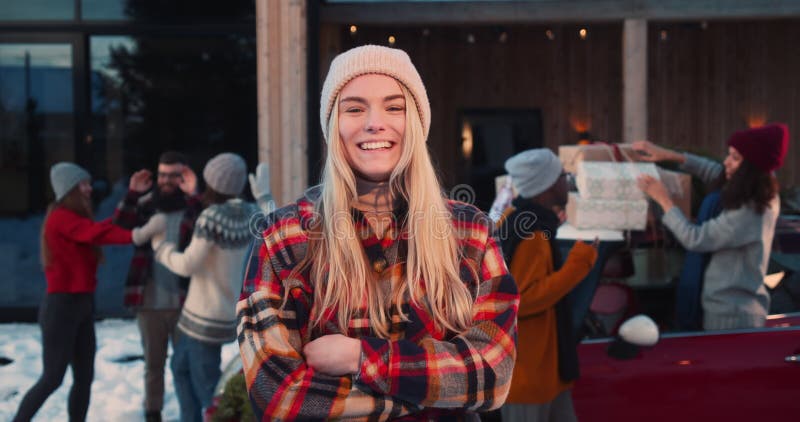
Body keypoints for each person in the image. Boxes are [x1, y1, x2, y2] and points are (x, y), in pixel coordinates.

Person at [236, 44, 519, 420]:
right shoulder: (284, 236)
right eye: (354, 108)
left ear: (416, 122)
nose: (374, 122)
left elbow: (493, 375)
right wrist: (435, 393)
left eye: (394, 107)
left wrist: (360, 358)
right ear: (332, 124)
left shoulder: (469, 231)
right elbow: (279, 396)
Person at [14, 163, 163, 422]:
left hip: (81, 305)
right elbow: (97, 233)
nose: (89, 188)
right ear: (70, 189)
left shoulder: (76, 218)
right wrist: (138, 235)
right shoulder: (61, 218)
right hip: (61, 308)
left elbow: (108, 226)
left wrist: (132, 196)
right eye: (83, 184)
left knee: (84, 378)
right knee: (53, 378)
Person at [141, 153, 274, 422]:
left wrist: (161, 249)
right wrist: (265, 197)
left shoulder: (211, 217)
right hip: (225, 313)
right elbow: (275, 225)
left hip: (203, 318)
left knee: (208, 391)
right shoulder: (251, 212)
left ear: (212, 181)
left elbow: (188, 264)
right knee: (180, 369)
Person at [634, 123, 789, 330]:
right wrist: (670, 155)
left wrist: (663, 199)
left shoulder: (751, 212)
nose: (726, 162)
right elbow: (714, 170)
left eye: (735, 158)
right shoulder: (760, 186)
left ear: (751, 167)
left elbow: (695, 239)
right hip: (731, 311)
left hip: (730, 317)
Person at [496, 149, 598, 422]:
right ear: (548, 185)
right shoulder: (531, 233)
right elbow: (523, 300)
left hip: (546, 374)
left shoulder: (516, 218)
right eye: (563, 176)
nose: (567, 181)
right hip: (528, 379)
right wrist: (580, 263)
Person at [112, 151, 203, 422]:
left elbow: (209, 228)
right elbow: (120, 225)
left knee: (187, 366)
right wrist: (131, 193)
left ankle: (193, 414)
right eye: (162, 174)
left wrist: (195, 193)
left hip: (186, 302)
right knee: (153, 366)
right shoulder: (146, 204)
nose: (166, 180)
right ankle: (153, 414)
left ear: (183, 175)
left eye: (173, 175)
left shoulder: (193, 205)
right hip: (149, 301)